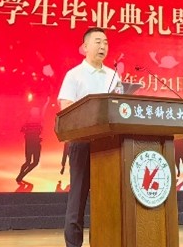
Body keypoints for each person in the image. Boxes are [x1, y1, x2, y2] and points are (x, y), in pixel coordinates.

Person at [57, 27, 120, 247]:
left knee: (107, 197)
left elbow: (120, 107)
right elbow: (66, 108)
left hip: (109, 145)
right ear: (85, 47)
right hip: (82, 143)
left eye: (106, 42)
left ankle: (105, 241)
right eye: (98, 42)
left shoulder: (113, 76)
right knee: (78, 198)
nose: (103, 46)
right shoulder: (74, 75)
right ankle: (73, 244)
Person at [16, 96, 51, 187]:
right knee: (29, 162)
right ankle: (20, 176)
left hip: (34, 143)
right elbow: (22, 130)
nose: (36, 112)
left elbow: (43, 110)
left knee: (32, 162)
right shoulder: (29, 121)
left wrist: (47, 102)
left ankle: (21, 176)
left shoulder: (38, 120)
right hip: (32, 143)